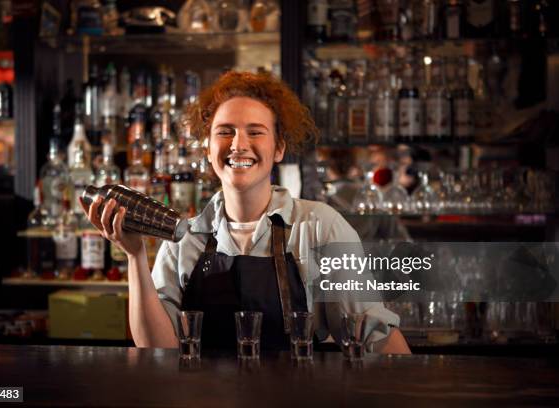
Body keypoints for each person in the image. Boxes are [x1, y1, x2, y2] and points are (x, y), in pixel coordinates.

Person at [81, 71, 410, 354]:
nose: (238, 144)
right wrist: (135, 256)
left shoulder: (320, 228)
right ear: (208, 149)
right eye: (225, 132)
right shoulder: (183, 240)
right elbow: (158, 349)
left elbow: (374, 335)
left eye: (255, 132)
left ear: (278, 147)